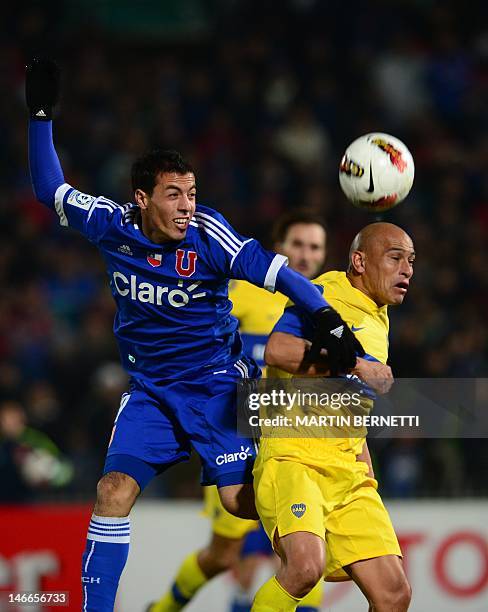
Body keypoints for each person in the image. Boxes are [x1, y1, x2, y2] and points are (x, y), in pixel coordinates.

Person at [24, 58, 362, 612]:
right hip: (152, 391)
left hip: (216, 388)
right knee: (112, 493)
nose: (188, 206)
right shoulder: (111, 225)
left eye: (192, 192)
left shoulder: (207, 234)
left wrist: (327, 318)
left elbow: (275, 272)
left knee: (240, 503)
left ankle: (321, 522)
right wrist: (40, 116)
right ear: (142, 198)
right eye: (175, 195)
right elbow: (49, 189)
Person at [149, 211, 327, 612]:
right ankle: (162, 609)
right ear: (279, 248)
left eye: (314, 247)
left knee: (310, 545)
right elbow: (205, 345)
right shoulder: (242, 291)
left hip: (297, 436)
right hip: (239, 429)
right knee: (224, 555)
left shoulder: (324, 304)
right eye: (297, 244)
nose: (305, 254)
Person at [252, 222, 414, 611]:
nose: (407, 269)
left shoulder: (379, 314)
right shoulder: (325, 293)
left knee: (393, 594)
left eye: (411, 261)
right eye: (395, 258)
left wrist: (364, 461)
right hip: (294, 456)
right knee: (305, 567)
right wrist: (357, 365)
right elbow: (277, 349)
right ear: (359, 261)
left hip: (347, 468)